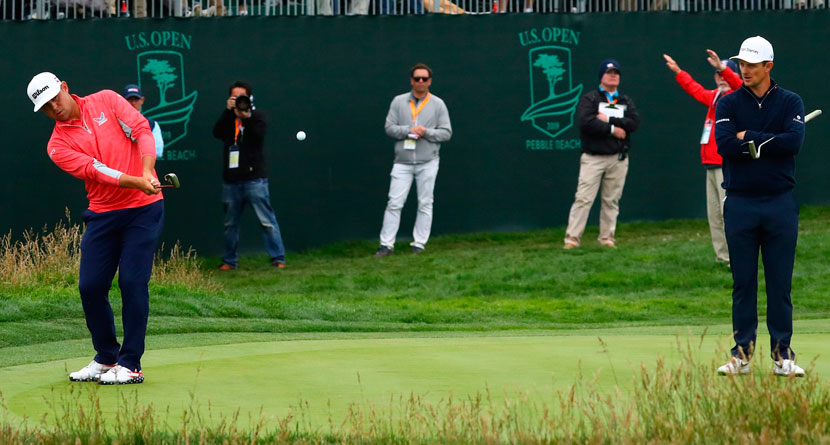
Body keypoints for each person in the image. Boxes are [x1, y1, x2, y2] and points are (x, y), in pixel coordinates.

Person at [27, 72, 164, 385]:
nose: (54, 109)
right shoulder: (57, 145)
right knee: (89, 286)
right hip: (103, 214)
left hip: (143, 210)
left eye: (55, 100)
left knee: (131, 282)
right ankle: (106, 357)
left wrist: (145, 171)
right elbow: (96, 170)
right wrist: (136, 181)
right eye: (45, 108)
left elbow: (141, 130)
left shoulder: (107, 99)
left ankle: (130, 364)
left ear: (65, 87)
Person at [714, 36, 806, 377]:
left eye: (752, 64)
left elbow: (793, 142)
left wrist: (748, 138)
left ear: (768, 66)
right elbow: (724, 145)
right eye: (742, 63)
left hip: (780, 203)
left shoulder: (789, 101)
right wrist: (769, 140)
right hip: (740, 203)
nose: (745, 70)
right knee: (743, 283)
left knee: (780, 283)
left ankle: (783, 355)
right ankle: (742, 354)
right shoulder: (728, 103)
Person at [663, 50, 742, 265]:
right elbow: (694, 89)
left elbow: (737, 84)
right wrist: (679, 72)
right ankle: (722, 257)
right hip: (710, 164)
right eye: (718, 76)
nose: (722, 79)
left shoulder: (737, 98)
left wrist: (723, 68)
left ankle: (737, 256)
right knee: (714, 215)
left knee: (730, 214)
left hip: (726, 164)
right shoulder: (715, 98)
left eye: (724, 75)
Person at [375, 63, 452, 257]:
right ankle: (386, 245)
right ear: (411, 81)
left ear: (430, 82)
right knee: (394, 202)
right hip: (402, 161)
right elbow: (389, 128)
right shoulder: (399, 102)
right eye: (417, 78)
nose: (420, 82)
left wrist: (426, 132)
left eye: (424, 79)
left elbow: (446, 133)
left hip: (428, 161)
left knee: (425, 202)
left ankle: (419, 244)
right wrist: (408, 130)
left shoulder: (438, 104)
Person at [563, 59, 640, 249]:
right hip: (593, 158)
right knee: (583, 198)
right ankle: (572, 239)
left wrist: (609, 119)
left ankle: (607, 238)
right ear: (601, 76)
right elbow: (587, 123)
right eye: (609, 72)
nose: (613, 75)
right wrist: (614, 129)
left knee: (611, 200)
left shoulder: (625, 100)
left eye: (616, 73)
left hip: (618, 158)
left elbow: (633, 123)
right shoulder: (590, 99)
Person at [213, 80, 287, 270]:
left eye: (242, 97)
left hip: (255, 180)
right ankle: (229, 261)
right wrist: (228, 112)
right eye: (235, 97)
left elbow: (258, 134)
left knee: (267, 221)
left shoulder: (258, 116)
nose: (239, 101)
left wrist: (246, 116)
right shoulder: (229, 119)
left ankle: (278, 258)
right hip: (231, 181)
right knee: (230, 224)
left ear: (249, 97)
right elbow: (217, 133)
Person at [122, 84, 165, 160]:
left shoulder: (152, 125)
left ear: (142, 100)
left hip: (142, 168)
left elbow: (158, 152)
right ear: (122, 101)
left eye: (136, 99)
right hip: (119, 169)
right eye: (130, 99)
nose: (133, 103)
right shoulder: (114, 122)